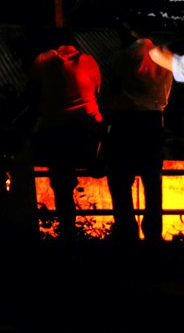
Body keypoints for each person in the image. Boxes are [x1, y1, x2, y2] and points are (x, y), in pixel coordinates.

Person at [26, 28, 103, 241]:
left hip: (57, 129)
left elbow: (32, 92)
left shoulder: (43, 59)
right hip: (89, 131)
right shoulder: (89, 61)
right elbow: (97, 91)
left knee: (61, 184)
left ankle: (68, 233)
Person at [102, 23, 173, 245]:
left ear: (132, 32)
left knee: (120, 179)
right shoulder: (164, 57)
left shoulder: (123, 57)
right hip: (154, 119)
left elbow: (110, 90)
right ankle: (153, 234)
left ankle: (127, 231)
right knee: (152, 181)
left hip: (127, 120)